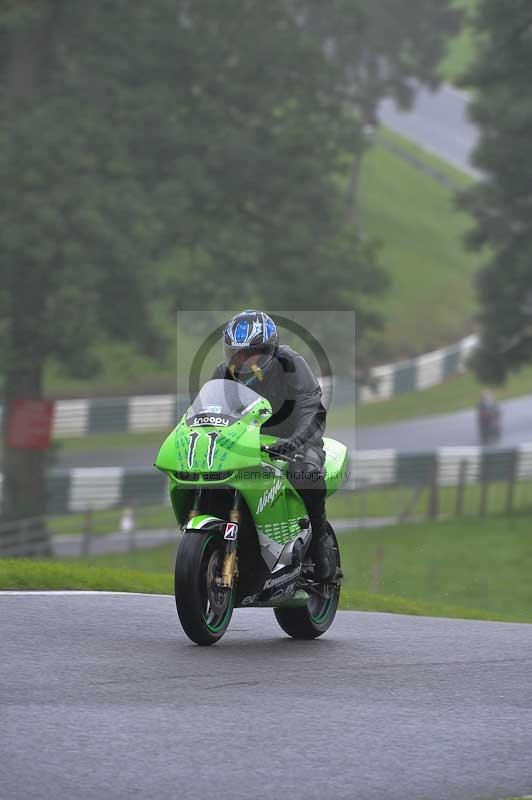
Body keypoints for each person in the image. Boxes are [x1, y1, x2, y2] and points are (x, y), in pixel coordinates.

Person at [211, 309, 336, 581]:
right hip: (246, 445)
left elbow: (311, 407)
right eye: (236, 353)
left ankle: (320, 543)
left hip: (295, 441)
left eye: (250, 354)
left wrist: (295, 442)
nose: (241, 361)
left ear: (269, 350)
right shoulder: (222, 374)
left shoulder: (291, 363)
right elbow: (207, 413)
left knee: (306, 473)